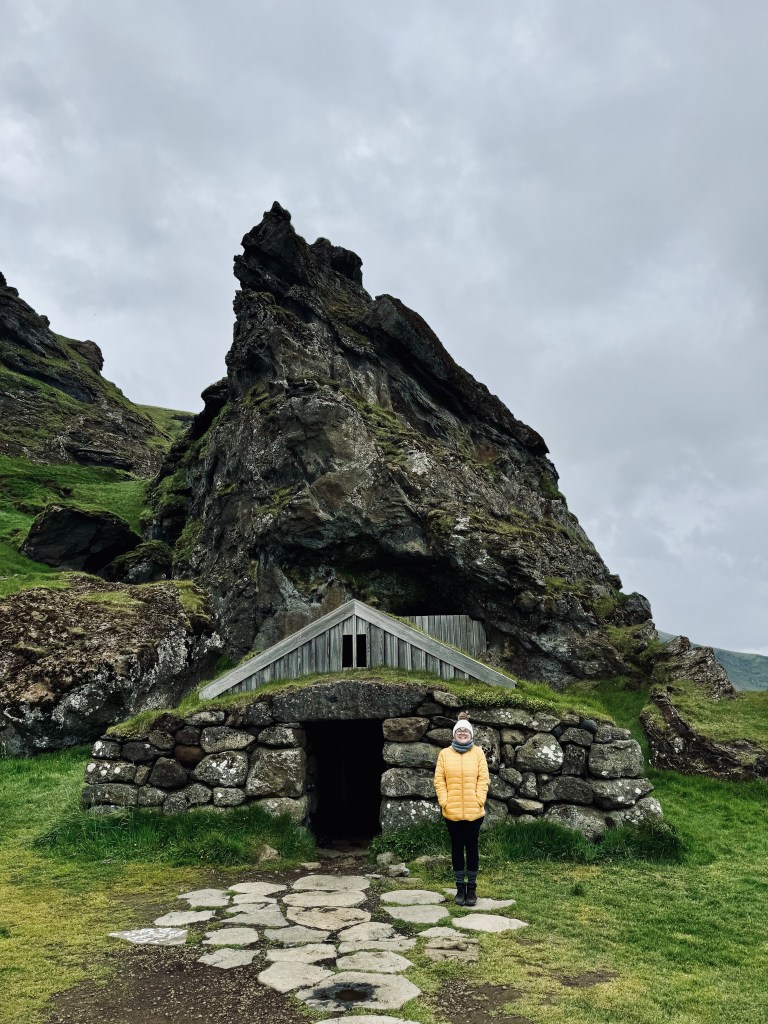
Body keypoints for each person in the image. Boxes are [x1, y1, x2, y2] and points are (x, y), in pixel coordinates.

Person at [433, 714, 489, 906]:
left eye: (466, 731)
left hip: (474, 811)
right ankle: (459, 889)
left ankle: (472, 890)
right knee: (457, 848)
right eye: (459, 731)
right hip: (452, 812)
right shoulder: (444, 754)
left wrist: (479, 799)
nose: (463, 733)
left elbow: (483, 779)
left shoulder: (478, 753)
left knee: (472, 848)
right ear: (454, 734)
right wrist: (444, 801)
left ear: (471, 734)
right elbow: (439, 780)